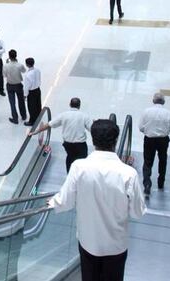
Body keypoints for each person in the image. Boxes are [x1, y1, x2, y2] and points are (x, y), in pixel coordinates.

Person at [47, 119, 145, 281]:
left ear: (92, 140)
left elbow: (65, 201)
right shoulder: (128, 174)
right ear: (115, 141)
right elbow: (138, 213)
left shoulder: (79, 167)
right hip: (116, 245)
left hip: (88, 241)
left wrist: (52, 202)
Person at [30, 98, 92, 172]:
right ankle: (80, 176)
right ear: (79, 106)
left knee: (70, 157)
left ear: (70, 104)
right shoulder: (84, 116)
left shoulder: (63, 115)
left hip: (68, 144)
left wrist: (36, 132)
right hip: (81, 145)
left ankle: (69, 175)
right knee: (82, 161)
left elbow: (49, 124)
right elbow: (92, 129)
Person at [139, 93, 170, 197]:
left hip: (149, 139)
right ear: (163, 102)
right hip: (163, 140)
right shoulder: (169, 113)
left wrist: (149, 131)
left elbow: (141, 127)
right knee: (163, 160)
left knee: (147, 162)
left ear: (153, 101)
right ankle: (161, 182)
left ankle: (147, 185)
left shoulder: (146, 111)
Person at [3, 50, 27, 124]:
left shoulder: (6, 65)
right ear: (16, 56)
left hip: (10, 85)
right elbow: (24, 71)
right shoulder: (19, 65)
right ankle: (23, 116)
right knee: (21, 101)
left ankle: (15, 118)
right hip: (18, 85)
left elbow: (4, 75)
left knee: (12, 103)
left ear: (9, 56)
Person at [23, 58, 41, 127]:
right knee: (38, 104)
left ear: (27, 64)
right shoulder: (37, 70)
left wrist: (25, 95)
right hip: (37, 90)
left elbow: (26, 86)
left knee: (31, 107)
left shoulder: (28, 75)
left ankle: (32, 121)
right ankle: (38, 116)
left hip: (32, 92)